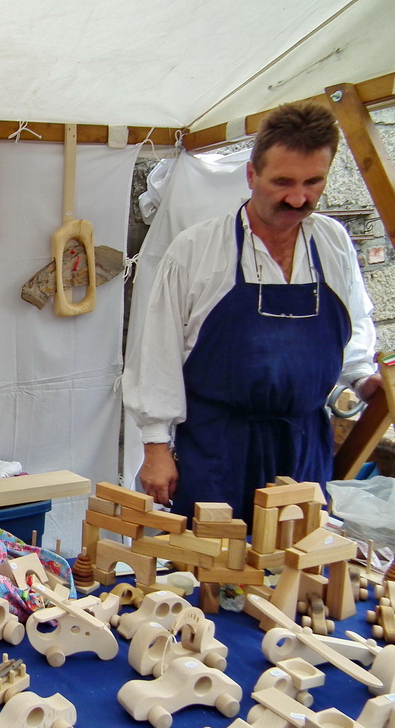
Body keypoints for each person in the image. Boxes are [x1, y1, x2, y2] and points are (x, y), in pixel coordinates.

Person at [123, 101, 382, 526]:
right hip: (218, 447)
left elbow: (354, 326)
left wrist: (363, 377)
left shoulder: (333, 242)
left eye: (313, 182)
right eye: (282, 182)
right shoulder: (197, 249)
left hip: (303, 443)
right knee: (209, 558)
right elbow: (157, 352)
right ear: (251, 176)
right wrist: (155, 447)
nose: (297, 198)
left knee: (296, 557)